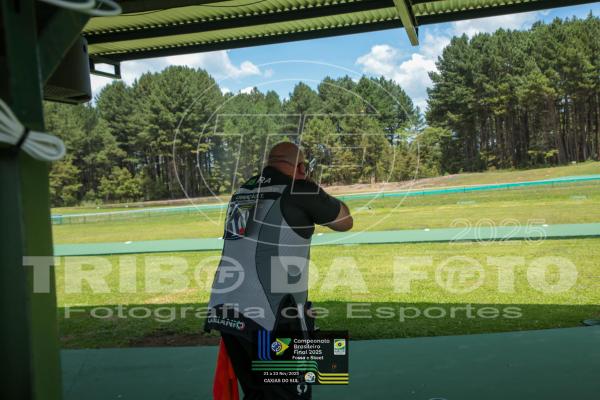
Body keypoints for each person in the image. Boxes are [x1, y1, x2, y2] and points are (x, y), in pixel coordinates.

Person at [205, 141, 353, 399]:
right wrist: (312, 185)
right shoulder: (300, 189)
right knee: (291, 394)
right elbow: (345, 221)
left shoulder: (243, 190)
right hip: (273, 317)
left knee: (258, 393)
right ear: (301, 167)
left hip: (227, 312)